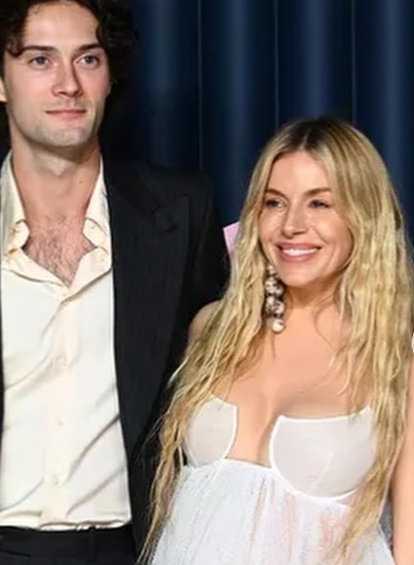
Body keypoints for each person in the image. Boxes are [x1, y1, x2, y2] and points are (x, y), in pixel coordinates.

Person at [0, 1, 228, 564]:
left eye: (88, 59)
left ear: (110, 75)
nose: (68, 84)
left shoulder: (180, 214)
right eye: (40, 60)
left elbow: (222, 386)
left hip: (129, 549)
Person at [144, 117, 414, 565]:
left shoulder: (396, 362)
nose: (292, 225)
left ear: (363, 217)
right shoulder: (211, 331)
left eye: (319, 203)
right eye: (275, 202)